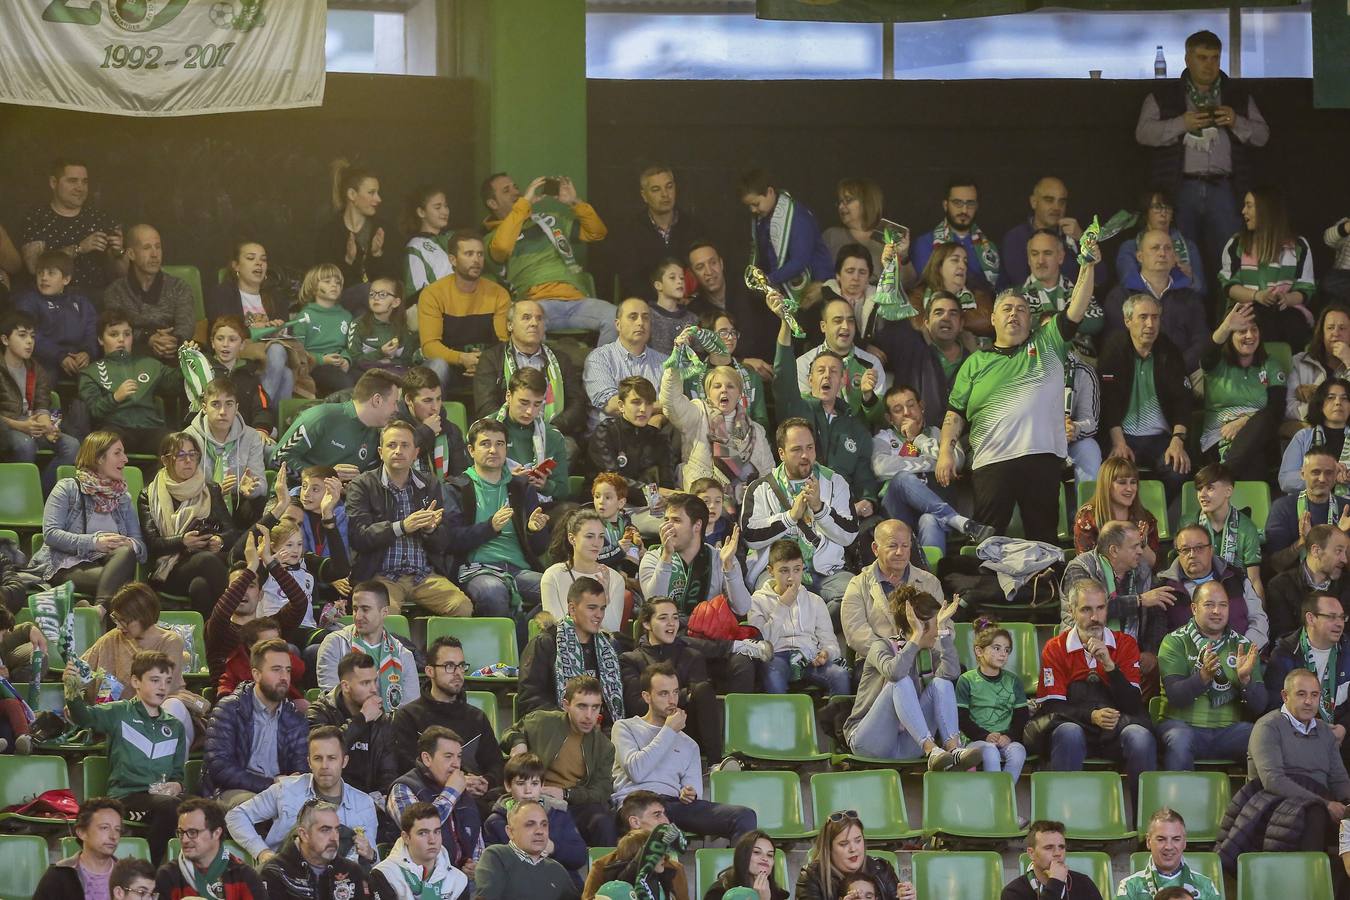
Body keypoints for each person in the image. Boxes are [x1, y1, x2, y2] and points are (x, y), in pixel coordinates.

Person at [937, 239, 1099, 543]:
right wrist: (946, 450)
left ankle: (1046, 591)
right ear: (993, 319)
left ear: (1031, 319)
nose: (1014, 313)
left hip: (1041, 459)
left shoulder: (1048, 344)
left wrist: (1087, 265)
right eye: (1006, 309)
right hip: (990, 462)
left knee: (1044, 541)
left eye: (1022, 309)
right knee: (990, 544)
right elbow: (954, 413)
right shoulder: (975, 363)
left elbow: (1076, 307)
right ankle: (989, 591)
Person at [1135, 29, 1269, 274]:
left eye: (1215, 58)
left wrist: (1235, 120)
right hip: (1180, 189)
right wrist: (1182, 124)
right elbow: (1143, 133)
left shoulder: (1237, 96)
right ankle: (1186, 308)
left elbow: (1262, 136)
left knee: (1232, 257)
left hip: (1225, 188)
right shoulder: (1164, 95)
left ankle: (1229, 309)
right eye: (1202, 58)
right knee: (1180, 255)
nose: (1209, 65)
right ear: (1188, 59)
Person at [1035, 579, 1156, 795]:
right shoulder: (1055, 648)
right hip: (1076, 725)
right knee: (1068, 732)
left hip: (1117, 727)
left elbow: (1133, 704)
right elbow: (1052, 708)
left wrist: (1110, 665)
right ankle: (1064, 820)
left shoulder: (1125, 644)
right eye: (1086, 609)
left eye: (1100, 608)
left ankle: (1146, 821)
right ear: (1072, 611)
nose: (1095, 617)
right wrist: (1092, 715)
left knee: (1140, 736)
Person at [64, 651, 186, 863]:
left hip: (161, 799)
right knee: (170, 808)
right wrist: (72, 690)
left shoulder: (175, 726)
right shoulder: (120, 712)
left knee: (206, 810)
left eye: (167, 681)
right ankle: (149, 869)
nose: (162, 687)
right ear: (135, 681)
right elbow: (83, 717)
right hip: (126, 798)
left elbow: (178, 774)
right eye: (155, 680)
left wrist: (177, 786)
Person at [1217, 668, 1350, 864]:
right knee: (1314, 813)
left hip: (1320, 800)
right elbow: (1273, 781)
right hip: (1272, 803)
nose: (1308, 701)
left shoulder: (1324, 731)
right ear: (1285, 696)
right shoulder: (1268, 727)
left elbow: (1339, 778)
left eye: (1314, 695)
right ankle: (1307, 883)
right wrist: (1325, 804)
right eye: (1301, 694)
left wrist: (1347, 804)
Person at [612, 662, 757, 840]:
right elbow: (637, 771)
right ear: (646, 697)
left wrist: (689, 793)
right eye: (663, 694)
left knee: (744, 816)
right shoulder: (625, 727)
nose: (672, 700)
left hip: (674, 805)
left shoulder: (689, 744)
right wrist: (669, 731)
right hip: (637, 803)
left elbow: (694, 791)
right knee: (657, 825)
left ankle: (739, 868)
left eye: (675, 692)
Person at [844, 584, 982, 770]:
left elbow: (951, 673)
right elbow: (895, 673)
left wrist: (943, 633)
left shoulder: (928, 653)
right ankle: (931, 749)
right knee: (900, 682)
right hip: (869, 742)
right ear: (920, 626)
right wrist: (916, 636)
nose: (936, 631)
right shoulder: (881, 647)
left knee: (942, 683)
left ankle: (953, 748)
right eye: (936, 624)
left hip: (906, 745)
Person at [345, 421, 471, 617]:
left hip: (424, 575)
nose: (398, 451)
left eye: (405, 446)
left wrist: (431, 530)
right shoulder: (362, 485)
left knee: (462, 606)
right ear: (380, 452)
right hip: (382, 576)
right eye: (391, 445)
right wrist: (402, 526)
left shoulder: (430, 483)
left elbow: (444, 542)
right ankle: (403, 649)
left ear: (415, 453)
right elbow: (359, 537)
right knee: (386, 615)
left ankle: (438, 649)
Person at [482, 172, 615, 342]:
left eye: (515, 187)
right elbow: (501, 247)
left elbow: (597, 233)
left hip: (576, 300)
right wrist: (523, 206)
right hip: (535, 305)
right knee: (528, 326)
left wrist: (575, 203)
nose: (516, 192)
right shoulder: (491, 238)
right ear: (493, 203)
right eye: (506, 190)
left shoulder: (550, 220)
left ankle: (599, 368)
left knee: (617, 318)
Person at [742, 418, 859, 611]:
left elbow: (849, 534)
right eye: (796, 449)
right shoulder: (760, 488)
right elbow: (750, 537)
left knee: (854, 596)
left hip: (826, 573)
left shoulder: (834, 482)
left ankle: (812, 632)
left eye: (810, 448)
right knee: (772, 605)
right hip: (777, 573)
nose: (805, 455)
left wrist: (820, 509)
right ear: (781, 453)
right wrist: (790, 517)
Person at [226, 725, 380, 866]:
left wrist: (371, 854)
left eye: (332, 758)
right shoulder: (285, 789)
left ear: (344, 761)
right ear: (309, 762)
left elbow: (374, 861)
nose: (324, 766)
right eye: (318, 758)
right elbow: (236, 816)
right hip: (284, 878)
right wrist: (261, 852)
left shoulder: (363, 803)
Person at [445, 417, 549, 625]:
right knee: (493, 592)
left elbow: (538, 548)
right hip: (477, 569)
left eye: (499, 444)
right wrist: (489, 527)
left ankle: (524, 639)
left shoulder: (521, 487)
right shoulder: (457, 487)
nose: (493, 450)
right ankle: (512, 649)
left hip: (518, 570)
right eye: (485, 444)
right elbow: (451, 540)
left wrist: (534, 531)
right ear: (471, 450)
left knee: (560, 589)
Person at [1156, 581, 1266, 770]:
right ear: (1194, 608)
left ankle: (1255, 800)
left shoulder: (1243, 645)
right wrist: (1204, 677)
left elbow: (1260, 706)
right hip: (1183, 727)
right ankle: (1176, 800)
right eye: (1209, 605)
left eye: (1223, 605)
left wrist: (1246, 682)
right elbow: (1176, 697)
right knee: (1179, 739)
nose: (1217, 611)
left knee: (1262, 737)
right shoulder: (1174, 641)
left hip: (1228, 733)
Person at [29, 430, 144, 609]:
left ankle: (98, 611)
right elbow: (50, 534)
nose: (125, 459)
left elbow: (140, 546)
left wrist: (130, 543)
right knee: (125, 588)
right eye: (117, 453)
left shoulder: (122, 498)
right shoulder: (67, 489)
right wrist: (94, 543)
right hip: (65, 566)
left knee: (125, 555)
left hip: (106, 566)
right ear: (99, 458)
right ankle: (102, 616)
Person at [82, 582, 208, 745]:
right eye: (116, 618)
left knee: (172, 707)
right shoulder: (112, 638)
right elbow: (81, 669)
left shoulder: (170, 641)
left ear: (142, 616)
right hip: (123, 722)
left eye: (124, 620)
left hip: (164, 714)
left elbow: (159, 691)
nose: (119, 626)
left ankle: (165, 768)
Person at [873, 382, 992, 554]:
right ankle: (958, 521)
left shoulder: (940, 434)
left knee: (929, 520)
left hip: (936, 512)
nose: (907, 412)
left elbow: (957, 461)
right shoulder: (883, 439)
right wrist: (934, 463)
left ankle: (930, 578)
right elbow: (880, 468)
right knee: (902, 478)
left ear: (921, 407)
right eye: (898, 410)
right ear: (889, 418)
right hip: (898, 512)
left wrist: (917, 438)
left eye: (911, 405)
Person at [503, 675, 618, 846]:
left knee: (602, 820)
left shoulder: (604, 747)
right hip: (533, 795)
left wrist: (566, 793)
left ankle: (605, 870)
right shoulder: (542, 722)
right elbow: (510, 733)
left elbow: (601, 791)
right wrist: (518, 744)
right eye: (582, 706)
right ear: (566, 705)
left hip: (572, 803)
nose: (589, 716)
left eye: (595, 708)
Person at [1098, 293, 1194, 501]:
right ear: (1127, 321)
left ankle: (1151, 522)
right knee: (1113, 475)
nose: (1150, 324)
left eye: (1155, 317)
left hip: (1161, 437)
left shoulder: (1169, 350)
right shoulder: (1113, 349)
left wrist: (1177, 441)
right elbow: (1108, 400)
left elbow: (1183, 401)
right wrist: (1118, 442)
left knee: (1179, 471)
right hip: (1123, 435)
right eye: (1143, 317)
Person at [662, 329, 774, 502]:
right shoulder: (697, 414)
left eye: (730, 386)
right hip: (703, 503)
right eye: (717, 386)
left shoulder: (756, 430)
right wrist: (675, 364)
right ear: (708, 393)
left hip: (746, 504)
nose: (724, 390)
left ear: (739, 394)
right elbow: (670, 402)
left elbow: (769, 475)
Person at [138, 430, 240, 619]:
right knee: (206, 561)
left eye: (192, 454)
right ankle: (237, 617)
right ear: (165, 460)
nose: (188, 460)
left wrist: (220, 540)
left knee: (199, 586)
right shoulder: (149, 495)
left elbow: (232, 533)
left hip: (207, 562)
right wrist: (182, 541)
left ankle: (211, 637)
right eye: (180, 455)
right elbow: (152, 544)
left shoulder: (210, 489)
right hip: (170, 571)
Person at [621, 596, 736, 763]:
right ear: (646, 624)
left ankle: (715, 764)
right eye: (663, 618)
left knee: (703, 689)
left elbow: (699, 696)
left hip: (686, 730)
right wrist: (683, 695)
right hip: (648, 734)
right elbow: (636, 706)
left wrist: (663, 697)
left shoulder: (692, 656)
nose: (671, 623)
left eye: (675, 618)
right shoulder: (630, 659)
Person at [202, 638, 310, 808]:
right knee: (256, 806)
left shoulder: (294, 718)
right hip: (232, 791)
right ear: (256, 674)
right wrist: (271, 783)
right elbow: (220, 767)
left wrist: (290, 783)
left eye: (287, 670)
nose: (284, 677)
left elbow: (302, 769)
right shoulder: (230, 709)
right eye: (276, 670)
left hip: (281, 793)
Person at [391, 634, 502, 791]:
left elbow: (496, 766)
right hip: (428, 802)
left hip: (476, 802)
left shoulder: (477, 718)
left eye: (461, 666)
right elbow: (406, 770)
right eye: (449, 666)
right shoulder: (408, 717)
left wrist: (485, 782)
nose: (457, 673)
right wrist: (454, 784)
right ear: (430, 671)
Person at [474, 298, 587, 439]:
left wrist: (552, 428)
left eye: (539, 319)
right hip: (506, 435)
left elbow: (577, 402)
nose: (534, 323)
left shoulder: (561, 360)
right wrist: (513, 429)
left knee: (568, 449)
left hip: (553, 433)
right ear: (510, 325)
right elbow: (485, 405)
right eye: (526, 318)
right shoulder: (491, 358)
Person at [749, 541, 850, 696]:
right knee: (772, 675)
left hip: (809, 656)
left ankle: (831, 719)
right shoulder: (758, 600)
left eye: (797, 570)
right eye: (784, 571)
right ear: (770, 571)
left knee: (840, 675)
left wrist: (826, 653)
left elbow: (831, 644)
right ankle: (782, 719)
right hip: (777, 656)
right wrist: (782, 606)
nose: (791, 578)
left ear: (803, 568)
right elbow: (761, 644)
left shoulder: (814, 600)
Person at [1201, 302, 1288, 481]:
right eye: (1241, 331)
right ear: (1230, 335)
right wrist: (1225, 326)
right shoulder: (1217, 363)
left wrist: (1245, 421)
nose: (1249, 335)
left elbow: (1277, 408)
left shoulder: (1270, 365)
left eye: (1254, 330)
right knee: (1254, 464)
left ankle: (1220, 477)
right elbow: (1206, 354)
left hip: (1261, 439)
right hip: (1219, 438)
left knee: (1266, 417)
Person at [1219, 186, 1315, 347]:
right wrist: (1257, 296)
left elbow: (1305, 288)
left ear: (1265, 210)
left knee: (1293, 324)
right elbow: (1228, 286)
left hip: (1285, 309)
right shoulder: (1237, 244)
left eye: (1249, 205)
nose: (1243, 211)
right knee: (1258, 321)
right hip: (1247, 307)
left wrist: (1287, 298)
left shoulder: (1299, 246)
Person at [1105, 230, 1210, 378]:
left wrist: (1176, 367)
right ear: (1139, 256)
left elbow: (1201, 341)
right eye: (1155, 248)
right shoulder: (1120, 296)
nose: (1162, 253)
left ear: (1174, 257)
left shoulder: (1190, 297)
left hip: (1183, 374)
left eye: (1168, 248)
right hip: (1137, 376)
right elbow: (1116, 344)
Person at [519, 577, 625, 722]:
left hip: (602, 731)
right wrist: (572, 718)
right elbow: (530, 699)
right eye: (592, 608)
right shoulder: (545, 643)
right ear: (572, 609)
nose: (599, 615)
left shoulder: (609, 646)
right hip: (557, 729)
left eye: (602, 608)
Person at [205, 241, 296, 406]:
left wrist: (277, 330)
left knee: (287, 373)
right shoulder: (223, 293)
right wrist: (251, 329)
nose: (259, 263)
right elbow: (220, 327)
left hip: (269, 356)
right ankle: (256, 411)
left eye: (263, 259)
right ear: (236, 266)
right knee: (278, 354)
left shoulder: (276, 296)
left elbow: (288, 330)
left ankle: (269, 427)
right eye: (251, 258)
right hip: (240, 351)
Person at [19, 158, 127, 299]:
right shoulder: (38, 217)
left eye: (84, 182)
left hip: (97, 300)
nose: (80, 188)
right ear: (53, 183)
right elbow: (34, 266)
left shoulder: (100, 218)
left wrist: (118, 252)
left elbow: (121, 275)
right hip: (53, 301)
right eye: (72, 181)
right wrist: (79, 248)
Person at [418, 230, 510, 393]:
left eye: (480, 254)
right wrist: (462, 358)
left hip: (489, 367)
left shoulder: (498, 293)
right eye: (469, 254)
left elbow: (504, 341)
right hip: (450, 367)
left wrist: (485, 362)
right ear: (453, 259)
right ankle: (430, 418)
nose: (476, 260)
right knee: (436, 366)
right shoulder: (433, 294)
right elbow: (429, 347)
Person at [78, 311, 183, 454]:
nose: (121, 339)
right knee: (105, 444)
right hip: (116, 428)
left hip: (151, 428)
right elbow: (94, 411)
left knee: (178, 445)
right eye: (114, 334)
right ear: (101, 340)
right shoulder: (91, 372)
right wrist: (115, 397)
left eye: (127, 334)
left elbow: (177, 383)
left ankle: (157, 477)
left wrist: (190, 360)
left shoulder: (150, 364)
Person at [387, 726, 484, 877]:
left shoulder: (461, 789)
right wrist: (451, 792)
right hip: (417, 879)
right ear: (427, 758)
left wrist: (476, 864)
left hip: (461, 879)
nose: (456, 764)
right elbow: (420, 826)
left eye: (458, 756)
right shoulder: (403, 788)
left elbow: (477, 838)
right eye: (448, 756)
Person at [839, 519, 944, 658]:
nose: (900, 552)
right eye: (892, 546)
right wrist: (894, 656)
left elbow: (944, 627)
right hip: (877, 663)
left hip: (925, 658)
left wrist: (916, 653)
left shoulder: (930, 582)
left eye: (905, 546)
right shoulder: (858, 585)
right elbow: (856, 633)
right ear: (875, 549)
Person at [0, 310, 79, 490]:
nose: (29, 341)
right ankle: (19, 494)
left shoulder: (37, 369)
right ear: (5, 340)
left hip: (32, 424)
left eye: (32, 337)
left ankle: (41, 493)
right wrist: (20, 425)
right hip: (7, 426)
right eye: (22, 336)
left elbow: (42, 404)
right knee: (25, 445)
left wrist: (47, 426)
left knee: (72, 445)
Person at [275, 368, 404, 478]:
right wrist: (324, 476)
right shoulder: (322, 417)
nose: (397, 409)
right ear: (377, 400)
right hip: (294, 498)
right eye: (394, 403)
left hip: (342, 503)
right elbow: (278, 459)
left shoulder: (375, 435)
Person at [1156, 523, 1269, 649]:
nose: (1192, 554)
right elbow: (1162, 640)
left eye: (1199, 548)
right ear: (1178, 553)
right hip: (1190, 663)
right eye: (1185, 550)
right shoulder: (1165, 589)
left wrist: (1244, 650)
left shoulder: (1235, 577)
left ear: (1211, 550)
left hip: (1243, 655)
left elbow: (1258, 619)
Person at [605, 164, 705, 301]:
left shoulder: (694, 227)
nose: (665, 194)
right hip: (648, 306)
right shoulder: (630, 231)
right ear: (644, 196)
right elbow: (630, 280)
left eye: (669, 187)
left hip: (689, 304)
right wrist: (663, 300)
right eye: (656, 189)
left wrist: (691, 298)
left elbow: (702, 271)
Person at [306, 652, 400, 798]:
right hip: (326, 799)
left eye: (374, 681)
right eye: (365, 683)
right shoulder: (320, 712)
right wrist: (361, 719)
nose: (374, 689)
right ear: (346, 686)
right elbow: (324, 749)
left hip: (369, 801)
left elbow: (388, 774)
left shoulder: (381, 719)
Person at [482, 752, 587, 877]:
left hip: (561, 888)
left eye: (534, 784)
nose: (528, 791)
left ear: (542, 785)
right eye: (521, 784)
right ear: (508, 785)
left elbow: (579, 856)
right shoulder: (496, 822)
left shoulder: (558, 813)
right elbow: (492, 864)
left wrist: (552, 848)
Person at [737, 168, 833, 303]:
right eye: (749, 206)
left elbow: (799, 261)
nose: (753, 210)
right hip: (782, 290)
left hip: (813, 290)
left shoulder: (798, 218)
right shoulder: (762, 220)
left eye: (756, 204)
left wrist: (769, 280)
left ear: (770, 192)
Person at [1265, 593, 1350, 745]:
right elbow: (1274, 704)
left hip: (1341, 735)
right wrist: (1309, 727)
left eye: (1342, 617)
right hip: (1297, 736)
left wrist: (1344, 727)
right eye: (1331, 617)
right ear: (1311, 618)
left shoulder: (1348, 650)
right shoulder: (1285, 654)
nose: (1340, 624)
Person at [103, 224, 196, 363]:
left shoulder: (179, 287)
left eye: (158, 247)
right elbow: (115, 330)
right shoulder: (115, 291)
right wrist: (149, 338)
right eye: (147, 248)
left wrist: (171, 342)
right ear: (131, 254)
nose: (154, 254)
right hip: (132, 357)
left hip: (173, 354)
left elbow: (186, 327)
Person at [957, 621, 1030, 785]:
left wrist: (1009, 736)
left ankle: (1003, 800)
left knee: (1019, 752)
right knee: (990, 752)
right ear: (979, 651)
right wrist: (985, 736)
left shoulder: (1013, 681)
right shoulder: (966, 680)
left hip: (1004, 739)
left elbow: (1021, 717)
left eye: (1007, 650)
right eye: (996, 648)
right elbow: (962, 718)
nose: (1003, 654)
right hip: (975, 740)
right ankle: (995, 802)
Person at [259, 799, 376, 900]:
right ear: (304, 834)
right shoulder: (274, 873)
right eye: (325, 830)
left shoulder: (352, 871)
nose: (334, 837)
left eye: (337, 829)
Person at [155, 797, 268, 899]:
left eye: (192, 832)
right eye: (181, 832)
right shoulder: (168, 875)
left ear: (216, 833)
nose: (184, 840)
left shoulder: (245, 876)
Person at [687, 240, 778, 367]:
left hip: (769, 370)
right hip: (725, 378)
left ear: (721, 263)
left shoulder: (750, 292)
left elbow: (775, 330)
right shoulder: (694, 311)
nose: (709, 271)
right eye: (700, 267)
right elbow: (699, 356)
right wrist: (742, 363)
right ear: (692, 274)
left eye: (713, 263)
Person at [12, 248, 98, 382]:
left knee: (97, 377)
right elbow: (29, 334)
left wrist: (87, 352)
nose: (44, 277)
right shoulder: (28, 301)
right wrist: (60, 356)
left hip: (77, 360)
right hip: (43, 361)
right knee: (44, 376)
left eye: (51, 273)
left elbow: (92, 331)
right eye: (40, 273)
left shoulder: (80, 302)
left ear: (66, 279)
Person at [795, 298, 887, 418]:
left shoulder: (871, 364)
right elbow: (803, 412)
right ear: (823, 326)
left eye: (850, 321)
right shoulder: (804, 363)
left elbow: (879, 419)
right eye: (837, 321)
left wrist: (868, 396)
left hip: (859, 435)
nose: (846, 326)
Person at [584, 298, 667, 428]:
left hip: (653, 436)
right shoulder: (599, 358)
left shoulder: (665, 362)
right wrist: (656, 409)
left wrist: (658, 418)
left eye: (645, 318)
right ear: (618, 325)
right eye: (633, 317)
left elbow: (676, 405)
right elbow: (612, 406)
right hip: (610, 435)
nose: (640, 322)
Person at [543, 508, 629, 634]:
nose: (596, 543)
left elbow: (612, 631)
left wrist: (605, 598)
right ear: (572, 539)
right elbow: (556, 628)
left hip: (601, 649)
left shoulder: (614, 578)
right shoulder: (553, 575)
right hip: (565, 648)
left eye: (601, 537)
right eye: (589, 536)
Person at [1267, 448, 1350, 577]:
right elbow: (1276, 564)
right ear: (1303, 474)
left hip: (1337, 584)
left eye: (1329, 473)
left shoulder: (1347, 509)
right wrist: (1302, 541)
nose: (1322, 479)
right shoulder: (1283, 507)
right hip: (1297, 584)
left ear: (1335, 476)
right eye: (1315, 472)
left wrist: (1341, 536)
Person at [583, 792, 685, 897]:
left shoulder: (675, 869)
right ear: (635, 822)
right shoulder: (601, 867)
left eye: (665, 814)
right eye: (657, 815)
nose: (666, 821)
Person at [494, 366, 571, 504]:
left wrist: (546, 485)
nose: (530, 411)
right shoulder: (484, 431)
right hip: (496, 505)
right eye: (524, 403)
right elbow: (470, 480)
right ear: (508, 396)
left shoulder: (552, 436)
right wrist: (506, 480)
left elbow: (564, 490)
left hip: (541, 508)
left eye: (537, 404)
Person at [474, 800, 581, 900]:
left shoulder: (556, 869)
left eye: (544, 825)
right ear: (510, 832)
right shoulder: (496, 856)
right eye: (530, 825)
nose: (540, 831)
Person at [682, 309, 769, 429]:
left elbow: (761, 420)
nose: (730, 337)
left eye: (733, 332)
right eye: (723, 332)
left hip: (746, 442)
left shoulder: (751, 375)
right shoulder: (692, 377)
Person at [911, 175, 999, 293]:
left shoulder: (989, 248)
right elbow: (924, 285)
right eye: (957, 203)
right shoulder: (925, 243)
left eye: (970, 203)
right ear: (946, 205)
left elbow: (1000, 290)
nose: (964, 210)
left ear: (977, 206)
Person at [1114, 187, 1207, 296]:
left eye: (1168, 208)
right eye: (1157, 207)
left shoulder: (1189, 246)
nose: (1163, 213)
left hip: (1180, 304)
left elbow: (1203, 291)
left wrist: (1190, 279)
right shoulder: (1130, 247)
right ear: (1146, 213)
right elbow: (1127, 283)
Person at [794, 812, 908, 900]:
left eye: (858, 841)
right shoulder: (811, 876)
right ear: (828, 848)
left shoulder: (882, 869)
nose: (853, 849)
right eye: (844, 844)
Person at [1019, 229, 1105, 346]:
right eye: (1034, 254)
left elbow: (1096, 321)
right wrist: (1072, 317)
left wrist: (1045, 319)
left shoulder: (1077, 290)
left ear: (1060, 257)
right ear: (1029, 259)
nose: (1040, 261)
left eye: (1047, 253)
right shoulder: (1016, 295)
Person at [823, 177, 912, 289]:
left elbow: (908, 284)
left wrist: (903, 256)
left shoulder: (887, 237)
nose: (841, 206)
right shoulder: (832, 236)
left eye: (848, 200)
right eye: (840, 202)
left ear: (867, 202)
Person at [370, 801, 470, 900]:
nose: (432, 840)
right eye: (423, 833)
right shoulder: (385, 874)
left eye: (437, 832)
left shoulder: (459, 881)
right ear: (406, 837)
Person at [1072, 456, 1161, 567]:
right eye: (1122, 482)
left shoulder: (1146, 518)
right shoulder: (1088, 517)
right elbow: (1085, 564)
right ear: (1107, 485)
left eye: (1133, 482)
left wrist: (1141, 543)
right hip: (1099, 579)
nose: (1130, 488)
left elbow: (1154, 565)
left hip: (1138, 581)